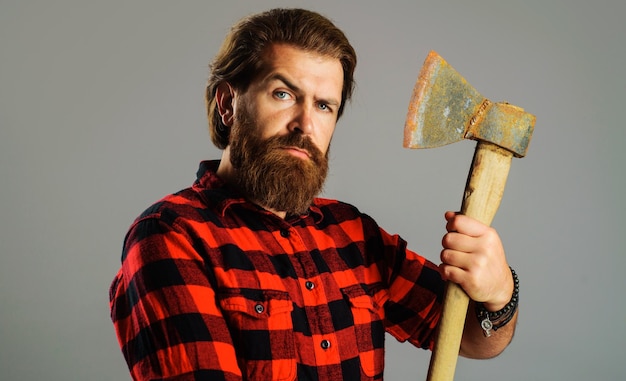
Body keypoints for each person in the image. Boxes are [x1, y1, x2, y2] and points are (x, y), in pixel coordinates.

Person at [109, 7, 518, 381]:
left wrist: (499, 294)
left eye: (324, 106)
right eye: (283, 94)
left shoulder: (352, 233)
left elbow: (470, 337)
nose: (305, 124)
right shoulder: (171, 236)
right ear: (228, 103)